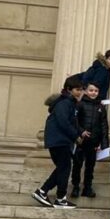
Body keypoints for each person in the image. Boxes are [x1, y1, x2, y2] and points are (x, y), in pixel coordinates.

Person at [33, 77, 83, 209]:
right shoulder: (64, 103)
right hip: (59, 141)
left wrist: (79, 132)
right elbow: (64, 122)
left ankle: (46, 193)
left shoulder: (70, 103)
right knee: (64, 168)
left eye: (81, 90)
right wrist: (75, 136)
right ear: (69, 89)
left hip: (59, 140)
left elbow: (72, 122)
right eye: (77, 90)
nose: (80, 92)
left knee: (62, 168)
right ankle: (57, 197)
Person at [71, 82, 109, 198]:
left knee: (90, 166)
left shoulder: (101, 107)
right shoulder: (80, 104)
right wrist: (81, 131)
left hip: (94, 142)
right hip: (81, 141)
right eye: (91, 90)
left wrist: (104, 144)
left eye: (96, 91)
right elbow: (74, 121)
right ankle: (76, 186)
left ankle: (87, 187)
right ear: (86, 91)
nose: (93, 93)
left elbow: (104, 126)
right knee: (77, 165)